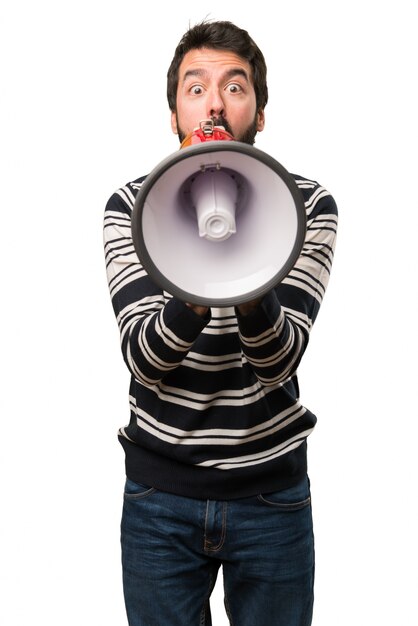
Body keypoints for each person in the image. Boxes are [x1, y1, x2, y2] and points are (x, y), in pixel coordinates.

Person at [103, 19, 338, 626]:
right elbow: (145, 360)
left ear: (259, 113)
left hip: (272, 497)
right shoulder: (131, 207)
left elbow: (277, 362)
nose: (214, 103)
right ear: (175, 114)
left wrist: (241, 267)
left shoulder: (307, 206)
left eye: (235, 87)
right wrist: (199, 275)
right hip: (160, 498)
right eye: (195, 87)